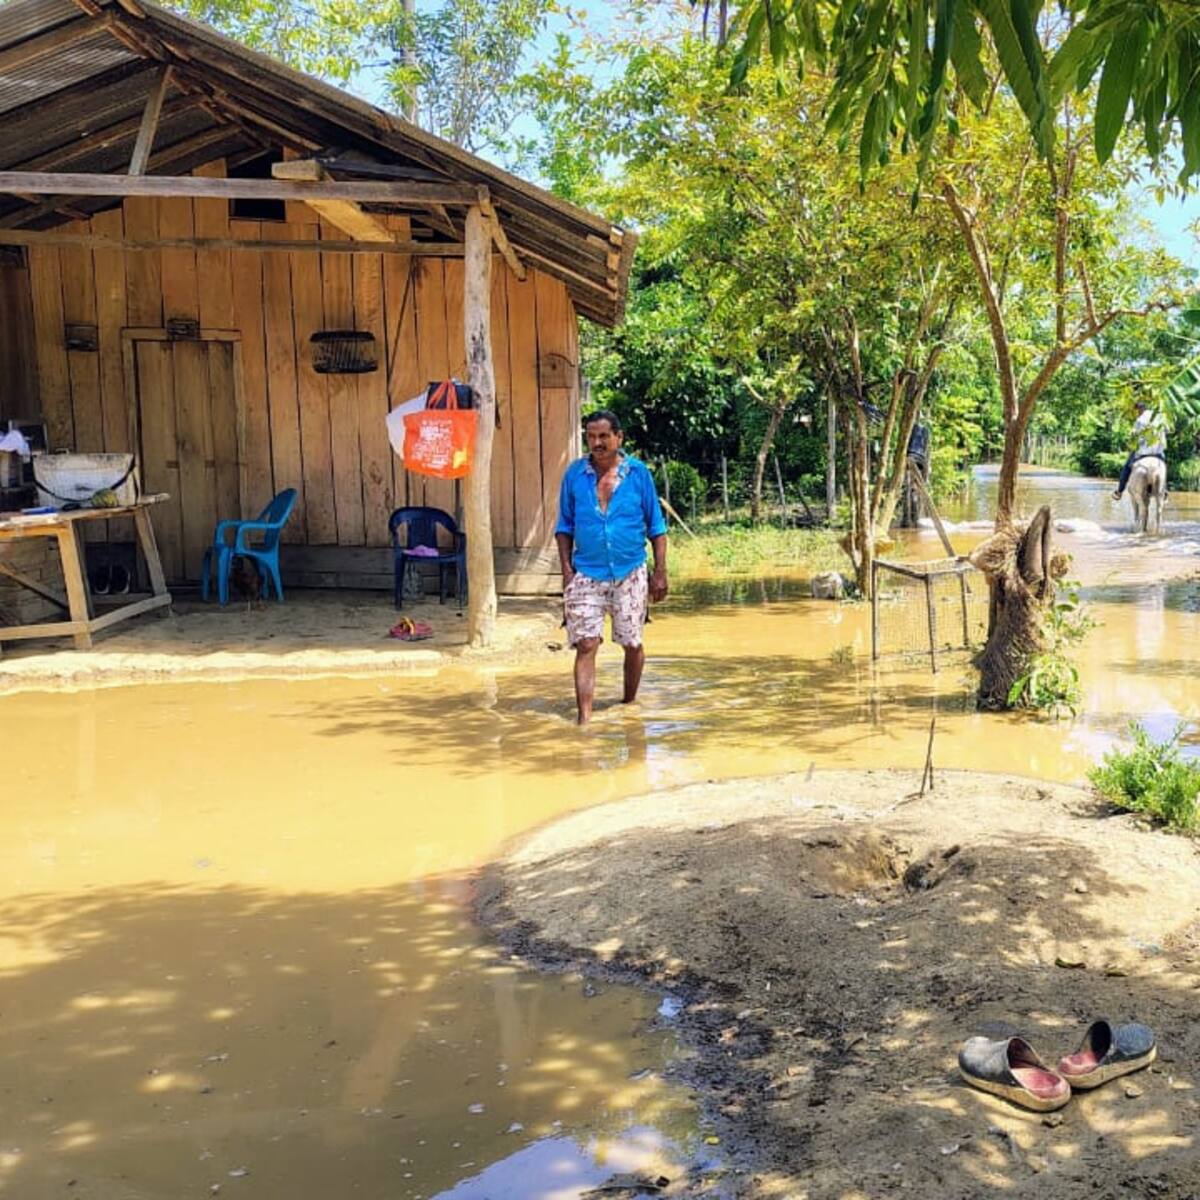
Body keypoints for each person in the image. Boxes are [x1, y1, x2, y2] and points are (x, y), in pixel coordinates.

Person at [555, 410, 668, 725]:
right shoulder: (575, 475)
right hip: (586, 573)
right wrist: (567, 574)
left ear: (619, 437)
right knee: (586, 643)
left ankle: (629, 704)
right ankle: (585, 720)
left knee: (631, 643)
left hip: (631, 572)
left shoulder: (638, 474)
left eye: (604, 436)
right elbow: (564, 527)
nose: (597, 443)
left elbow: (656, 526)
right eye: (591, 436)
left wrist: (660, 572)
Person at [1112, 399, 1168, 501]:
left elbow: (1134, 436)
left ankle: (1119, 492)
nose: (1137, 413)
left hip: (1142, 452)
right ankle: (1164, 491)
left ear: (1140, 409)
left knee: (1126, 468)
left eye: (1137, 410)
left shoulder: (1140, 420)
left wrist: (1131, 446)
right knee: (1163, 466)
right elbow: (1167, 430)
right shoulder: (1159, 417)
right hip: (1158, 452)